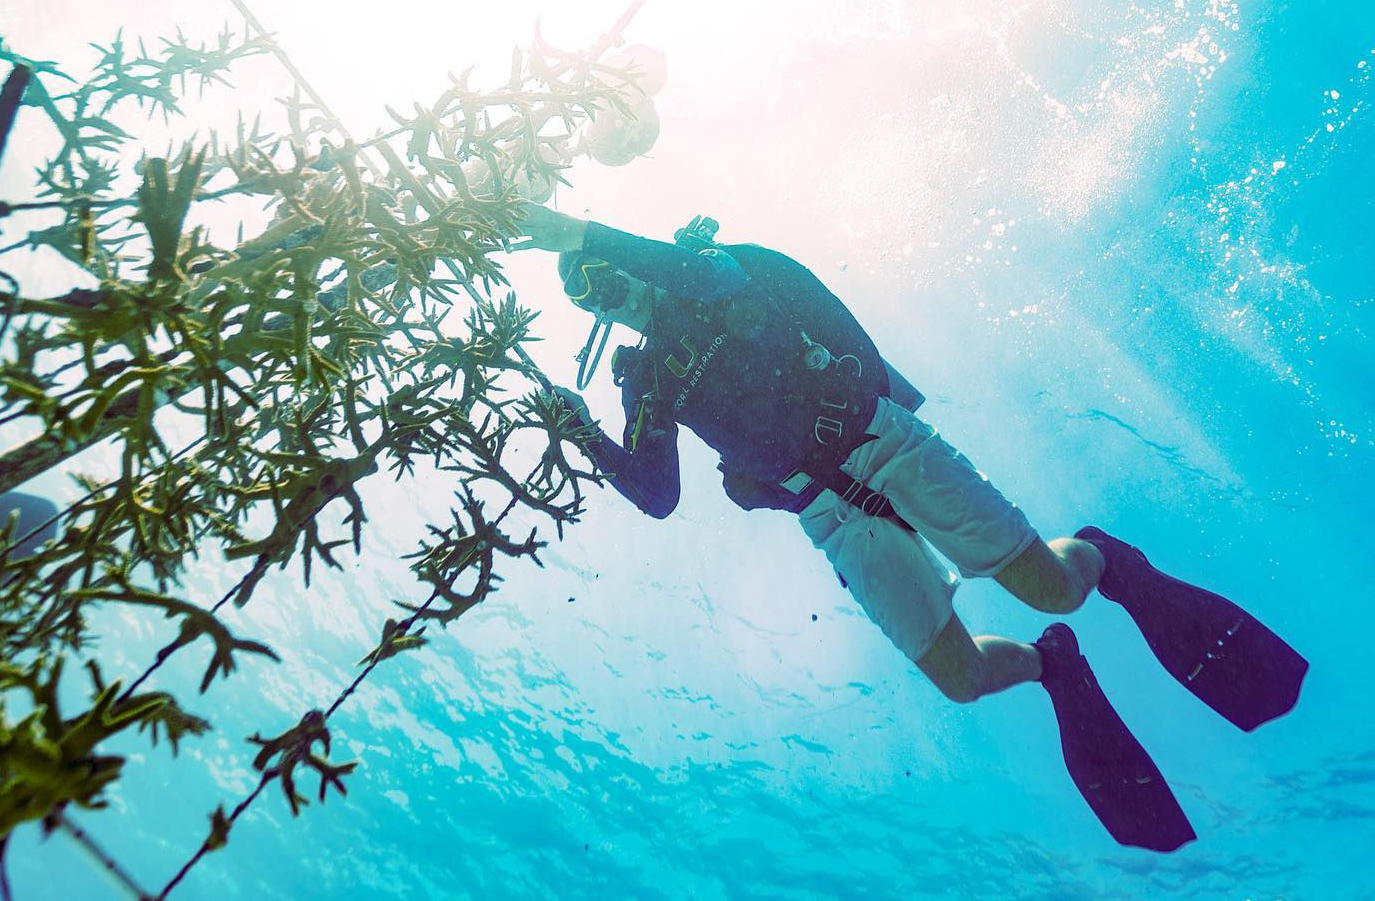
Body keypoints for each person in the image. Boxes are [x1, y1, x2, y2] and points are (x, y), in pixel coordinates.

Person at [510, 203, 1308, 851]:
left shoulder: (713, 269)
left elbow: (697, 275)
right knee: (961, 679)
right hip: (828, 515)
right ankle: (1053, 664)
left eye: (598, 269)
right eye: (583, 293)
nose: (598, 289)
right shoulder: (649, 381)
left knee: (1056, 589)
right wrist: (581, 429)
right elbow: (657, 495)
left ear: (627, 252)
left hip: (885, 443)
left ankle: (1099, 555)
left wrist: (578, 233)